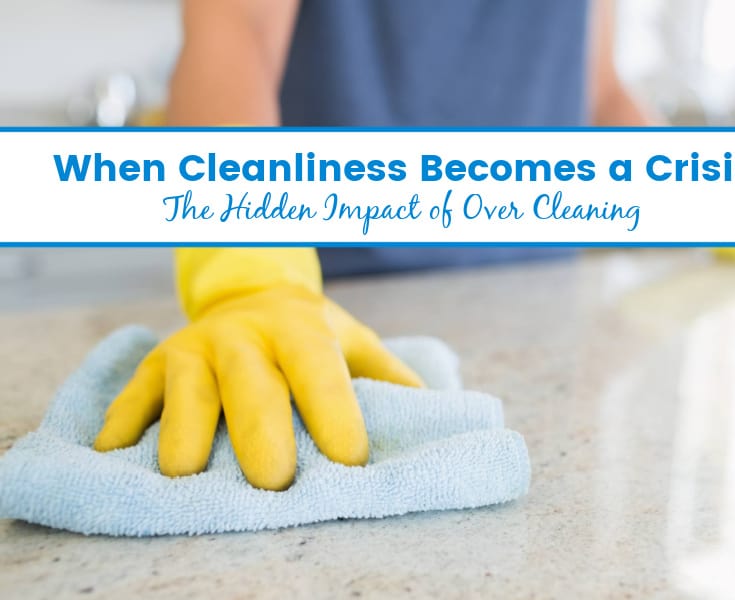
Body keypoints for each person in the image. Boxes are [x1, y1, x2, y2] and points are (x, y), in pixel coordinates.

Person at [94, 0, 654, 490]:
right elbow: (238, 26)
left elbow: (598, 90)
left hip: (542, 308)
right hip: (329, 319)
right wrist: (250, 272)